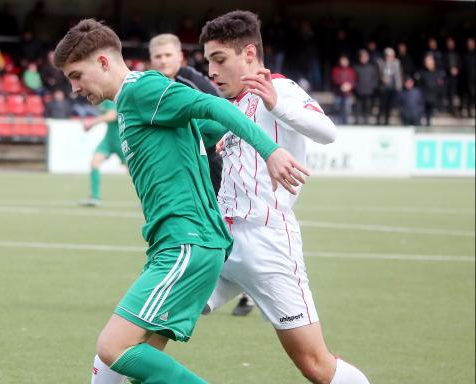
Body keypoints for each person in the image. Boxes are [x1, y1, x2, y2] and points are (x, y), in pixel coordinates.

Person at [54, 18, 308, 384]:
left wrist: (270, 151)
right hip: (175, 244)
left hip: (186, 242)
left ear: (104, 63)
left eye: (76, 75)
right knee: (126, 361)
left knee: (114, 348)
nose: (74, 88)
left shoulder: (143, 90)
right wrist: (210, 140)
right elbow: (208, 125)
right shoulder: (132, 103)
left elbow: (215, 107)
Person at [200, 11, 370, 384]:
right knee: (146, 324)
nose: (211, 71)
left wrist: (277, 104)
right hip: (221, 241)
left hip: (267, 242)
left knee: (315, 365)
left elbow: (327, 132)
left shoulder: (281, 89)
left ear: (248, 53)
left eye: (219, 59)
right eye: (208, 60)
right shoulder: (234, 104)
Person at [149, 33, 255, 317]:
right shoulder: (153, 86)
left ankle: (246, 288)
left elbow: (223, 108)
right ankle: (188, 284)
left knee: (223, 222)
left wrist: (221, 138)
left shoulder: (192, 80)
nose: (162, 61)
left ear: (180, 57)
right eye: (157, 57)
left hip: (211, 161)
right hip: (185, 166)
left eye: (168, 56)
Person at [79, 99, 123, 207]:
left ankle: (151, 199)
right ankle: (95, 197)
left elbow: (112, 115)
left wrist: (92, 123)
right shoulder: (101, 101)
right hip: (109, 139)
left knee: (135, 170)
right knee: (95, 162)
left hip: (121, 139)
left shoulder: (110, 97)